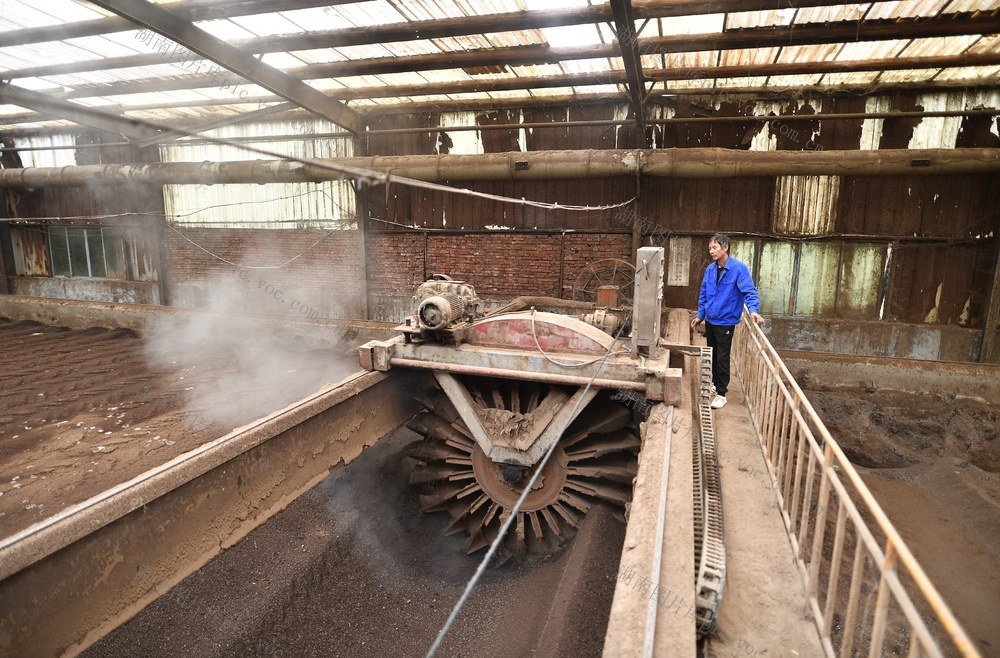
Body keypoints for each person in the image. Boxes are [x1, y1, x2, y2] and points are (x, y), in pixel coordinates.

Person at [691, 234, 765, 410]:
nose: (711, 251)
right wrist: (701, 314)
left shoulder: (739, 269)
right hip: (711, 319)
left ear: (725, 248)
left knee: (723, 356)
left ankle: (722, 394)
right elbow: (704, 294)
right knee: (712, 353)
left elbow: (749, 291)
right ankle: (715, 384)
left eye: (714, 248)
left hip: (726, 320)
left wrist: (753, 310)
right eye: (710, 249)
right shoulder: (710, 269)